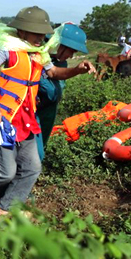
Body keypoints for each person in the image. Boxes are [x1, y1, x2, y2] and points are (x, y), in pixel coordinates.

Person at [0, 6, 96, 216]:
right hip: (2, 119)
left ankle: (6, 209)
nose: (40, 39)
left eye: (43, 35)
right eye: (36, 34)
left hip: (25, 120)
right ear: (22, 32)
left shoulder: (39, 54)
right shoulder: (7, 49)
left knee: (32, 168)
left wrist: (77, 70)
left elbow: (55, 73)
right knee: (5, 172)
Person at [36, 23, 93, 159]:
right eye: (71, 51)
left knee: (38, 153)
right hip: (31, 113)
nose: (71, 56)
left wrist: (77, 70)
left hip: (47, 113)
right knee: (33, 157)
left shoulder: (61, 63)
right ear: (59, 45)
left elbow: (57, 76)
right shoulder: (36, 57)